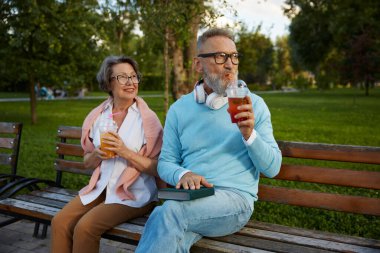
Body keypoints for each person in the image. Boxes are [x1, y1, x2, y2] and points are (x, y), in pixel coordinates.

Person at [135, 28, 282, 253]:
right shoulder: (179, 109)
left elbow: (272, 168)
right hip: (194, 199)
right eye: (220, 57)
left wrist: (249, 135)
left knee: (169, 212)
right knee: (174, 238)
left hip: (235, 201)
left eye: (234, 56)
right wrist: (183, 174)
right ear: (197, 64)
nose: (230, 64)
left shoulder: (254, 105)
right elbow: (166, 162)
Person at [51, 55, 164, 253]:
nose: (130, 82)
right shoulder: (99, 116)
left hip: (135, 193)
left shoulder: (148, 120)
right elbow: (87, 161)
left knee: (85, 228)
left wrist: (124, 152)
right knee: (59, 222)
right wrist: (95, 155)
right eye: (122, 77)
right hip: (101, 188)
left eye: (133, 76)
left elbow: (158, 168)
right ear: (108, 83)